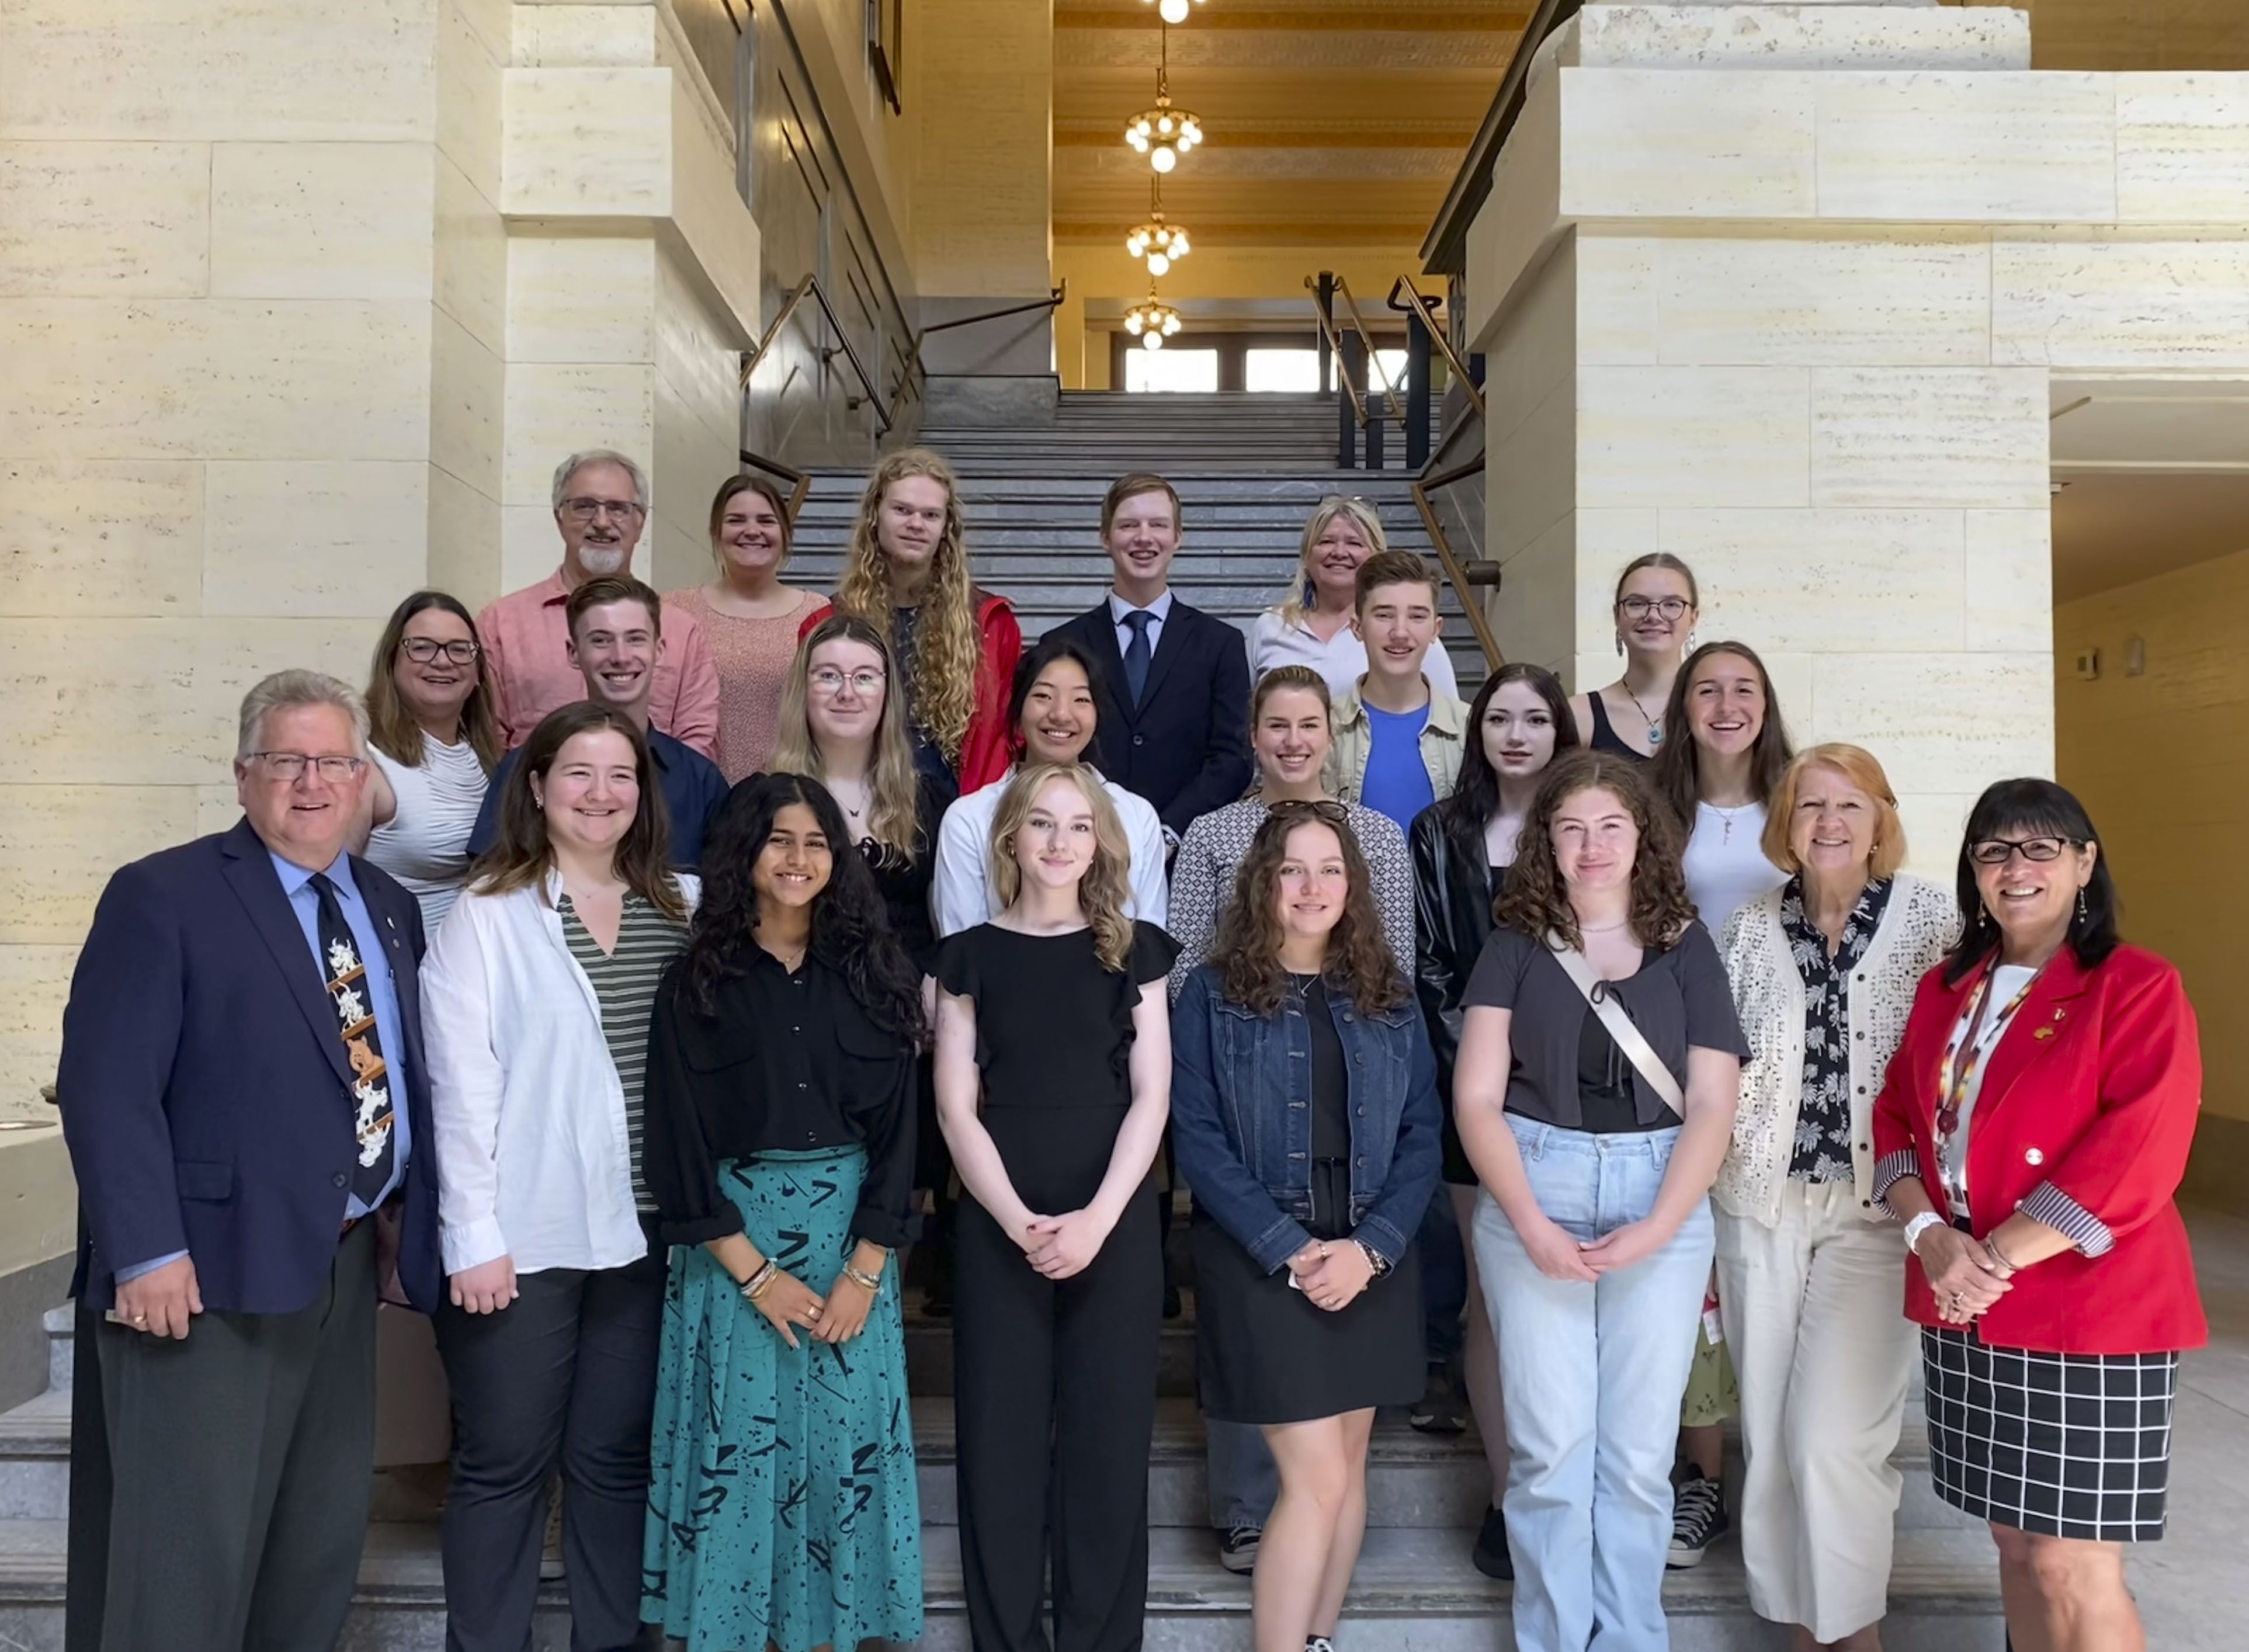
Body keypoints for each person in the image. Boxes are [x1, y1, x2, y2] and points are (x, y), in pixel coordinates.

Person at [56, 669, 443, 1652]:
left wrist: (398, 1213)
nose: (311, 782)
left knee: (309, 1549)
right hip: (203, 1272)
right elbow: (108, 1086)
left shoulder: (389, 904)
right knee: (182, 1558)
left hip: (342, 1261)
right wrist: (144, 1252)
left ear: (364, 781)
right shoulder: (165, 894)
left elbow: (387, 1075)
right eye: (287, 760)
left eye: (334, 762)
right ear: (243, 775)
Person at [1873, 779, 2204, 1652]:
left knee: (2070, 1563)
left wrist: (1987, 1262)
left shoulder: (2134, 985)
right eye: (1993, 851)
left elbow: (2138, 1146)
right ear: (1972, 872)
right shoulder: (1947, 988)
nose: (2014, 869)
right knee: (2013, 1545)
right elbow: (1894, 1121)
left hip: (2088, 1310)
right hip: (1966, 1306)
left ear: (2084, 861)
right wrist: (1931, 1239)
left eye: (2038, 848)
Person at [1453, 749, 1748, 1652]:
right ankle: (1551, 1639)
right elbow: (1475, 1098)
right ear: (1545, 839)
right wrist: (1530, 1223)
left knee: (1632, 1455)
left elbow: (1711, 1100)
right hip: (1532, 1183)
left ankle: (1628, 1639)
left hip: (1659, 1188)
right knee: (1548, 1453)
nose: (1590, 846)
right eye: (1570, 827)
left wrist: (1661, 1225)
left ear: (1641, 837)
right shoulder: (1512, 946)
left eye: (1609, 826)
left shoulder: (1685, 944)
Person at [422, 701, 696, 1652]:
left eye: (620, 774)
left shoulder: (684, 907)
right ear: (536, 787)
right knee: (503, 1462)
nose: (601, 792)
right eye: (578, 772)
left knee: (615, 1460)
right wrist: (474, 1236)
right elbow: (460, 1092)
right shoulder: (487, 915)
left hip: (651, 1233)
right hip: (523, 1238)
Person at [639, 774, 924, 1652]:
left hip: (850, 1251)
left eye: (815, 843)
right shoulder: (697, 979)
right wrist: (754, 1273)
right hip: (732, 1251)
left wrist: (865, 1272)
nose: (797, 859)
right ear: (745, 855)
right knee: (738, 1461)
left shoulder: (877, 976)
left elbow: (903, 1135)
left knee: (838, 1459)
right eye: (778, 841)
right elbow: (675, 1141)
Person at [1172, 803, 1441, 1652]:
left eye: (1330, 869)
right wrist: (1291, 1251)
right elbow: (1197, 1138)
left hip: (1369, 1255)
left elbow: (1422, 1133)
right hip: (1260, 1257)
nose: (1312, 886)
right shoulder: (1211, 994)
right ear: (1262, 882)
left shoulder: (1388, 993)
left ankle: (1317, 1640)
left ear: (1353, 886)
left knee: (1347, 1469)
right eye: (1292, 868)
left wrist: (1371, 1250)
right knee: (1313, 1476)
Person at [1713, 745, 1960, 1651]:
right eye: (1809, 804)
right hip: (1757, 1204)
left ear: (1880, 818)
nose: (1827, 822)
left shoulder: (1933, 919)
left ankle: (1854, 1634)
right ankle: (1796, 1630)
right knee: (1771, 1442)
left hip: (1878, 1215)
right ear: (1785, 819)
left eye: (1848, 805)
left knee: (1832, 1442)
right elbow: (1716, 1070)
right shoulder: (1746, 928)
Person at [932, 763, 1178, 1652]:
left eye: (1078, 827)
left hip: (1112, 1222)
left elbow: (1152, 1096)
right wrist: (1016, 1222)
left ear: (1100, 844)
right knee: (998, 1449)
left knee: (1107, 1446)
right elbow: (956, 1107)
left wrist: (1099, 1220)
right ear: (1010, 838)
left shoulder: (1136, 950)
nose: (1058, 842)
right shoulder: (966, 956)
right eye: (1041, 824)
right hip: (1001, 1225)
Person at [1408, 662, 1577, 1578]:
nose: (1516, 735)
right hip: (1473, 1099)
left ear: (1559, 732)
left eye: (1534, 719)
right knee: (1492, 1298)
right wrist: (1485, 1073)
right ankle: (1508, 1494)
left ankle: (1566, 1487)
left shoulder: (1591, 828)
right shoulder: (1440, 832)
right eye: (1498, 719)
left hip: (1587, 1105)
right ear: (1475, 733)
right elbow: (1431, 965)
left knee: (1568, 1297)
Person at [1648, 637, 1793, 1560]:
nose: (1726, 704)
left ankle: (1780, 1477)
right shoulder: (1655, 809)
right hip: (1676, 1056)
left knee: (1770, 1270)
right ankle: (1700, 1474)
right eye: (1708, 689)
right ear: (1683, 706)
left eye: (1744, 689)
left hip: (1786, 1071)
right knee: (1693, 1278)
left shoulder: (1798, 801)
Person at [1041, 471, 1252, 842]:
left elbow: (1232, 758)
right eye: (1128, 525)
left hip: (1184, 853)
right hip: (1081, 845)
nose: (1143, 537)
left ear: (1177, 537)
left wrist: (1168, 832)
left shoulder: (1221, 644)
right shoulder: (1062, 643)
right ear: (1106, 538)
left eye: (1158, 524)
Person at [802, 447, 1022, 804]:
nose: (916, 524)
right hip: (856, 813)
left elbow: (1007, 736)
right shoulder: (827, 624)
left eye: (931, 515)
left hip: (958, 819)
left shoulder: (991, 624)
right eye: (902, 510)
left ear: (946, 528)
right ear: (875, 516)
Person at [468, 575, 729, 872]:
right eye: (601, 641)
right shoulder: (525, 767)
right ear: (574, 653)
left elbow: (724, 898)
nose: (620, 657)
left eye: (635, 639)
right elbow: (490, 883)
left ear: (658, 651)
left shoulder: (701, 782)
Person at [477, 448, 721, 755]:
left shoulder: (681, 632)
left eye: (619, 508)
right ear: (559, 517)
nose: (602, 522)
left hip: (656, 801)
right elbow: (485, 740)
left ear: (640, 523)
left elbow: (697, 745)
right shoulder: (500, 624)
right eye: (585, 506)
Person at [933, 636, 1169, 935]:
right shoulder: (969, 819)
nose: (1060, 714)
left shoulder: (1135, 816)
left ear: (1097, 716)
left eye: (1081, 700)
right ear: (1018, 711)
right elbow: (961, 946)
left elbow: (1149, 936)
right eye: (1043, 696)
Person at [772, 614, 946, 970]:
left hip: (904, 1006)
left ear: (887, 692)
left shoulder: (928, 800)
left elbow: (945, 924)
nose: (847, 693)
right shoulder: (762, 801)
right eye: (828, 676)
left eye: (865, 678)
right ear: (802, 688)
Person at [665, 474, 823, 782]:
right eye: (736, 520)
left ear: (785, 533)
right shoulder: (673, 610)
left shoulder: (817, 614)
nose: (752, 531)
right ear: (716, 532)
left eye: (766, 521)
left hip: (791, 798)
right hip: (698, 792)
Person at [362, 589, 503, 932]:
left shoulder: (488, 757)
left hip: (473, 966)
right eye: (422, 647)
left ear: (478, 671)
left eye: (459, 650)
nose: (443, 662)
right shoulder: (364, 756)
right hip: (399, 963)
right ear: (392, 660)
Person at [1247, 494, 1460, 701]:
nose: (1339, 552)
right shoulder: (1271, 626)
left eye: (1355, 543)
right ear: (1307, 555)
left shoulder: (1404, 634)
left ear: (1377, 557)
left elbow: (1450, 717)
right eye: (1327, 541)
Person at [1327, 549, 1468, 830]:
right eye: (1384, 615)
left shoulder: (1469, 727)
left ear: (1435, 629)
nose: (1400, 632)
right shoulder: (1326, 726)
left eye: (1417, 616)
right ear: (1357, 627)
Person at [1568, 553, 1697, 759]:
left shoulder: (1718, 712)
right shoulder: (1579, 716)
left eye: (1672, 604)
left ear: (1693, 618)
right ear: (1616, 616)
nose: (1654, 616)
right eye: (1637, 604)